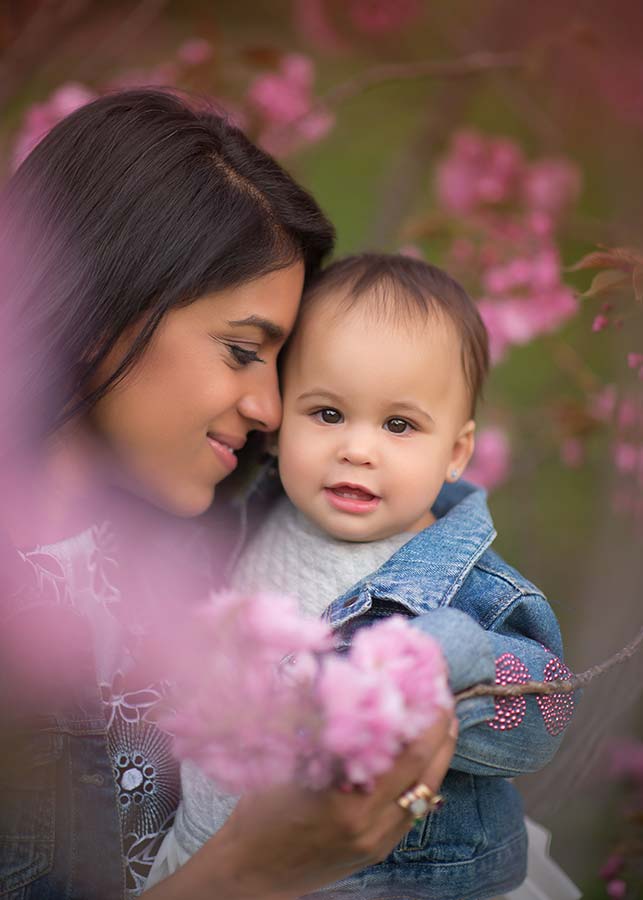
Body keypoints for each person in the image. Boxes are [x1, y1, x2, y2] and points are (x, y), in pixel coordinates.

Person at [0, 92, 458, 900]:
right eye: (241, 351)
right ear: (102, 302)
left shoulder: (218, 557)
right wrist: (253, 872)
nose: (268, 410)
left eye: (278, 371)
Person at [148, 254, 581, 900]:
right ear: (280, 416)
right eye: (326, 414)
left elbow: (546, 705)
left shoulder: (473, 592)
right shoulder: (245, 516)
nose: (357, 448)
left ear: (456, 452)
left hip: (377, 883)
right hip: (203, 857)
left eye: (398, 425)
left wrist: (442, 665)